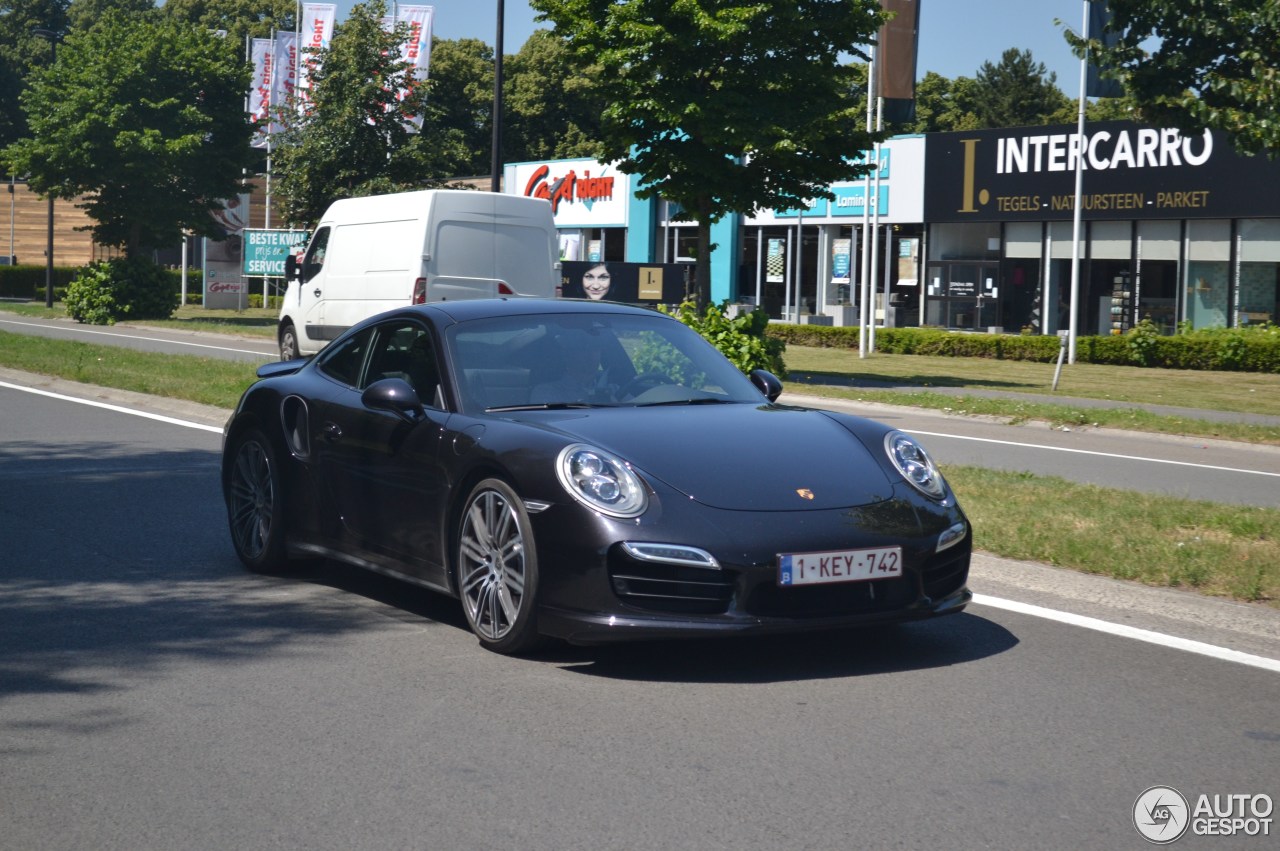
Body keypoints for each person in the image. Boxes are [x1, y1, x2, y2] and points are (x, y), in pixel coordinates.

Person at [530, 330, 609, 403]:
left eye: (595, 347)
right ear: (567, 354)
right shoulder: (545, 392)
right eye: (583, 348)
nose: (591, 354)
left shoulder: (613, 387)